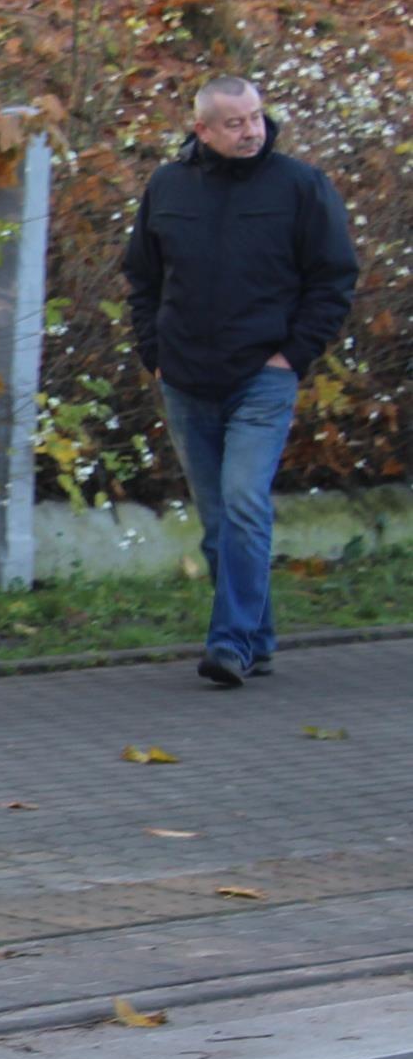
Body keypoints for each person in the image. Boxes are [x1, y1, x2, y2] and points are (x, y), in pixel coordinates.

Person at [121, 76, 357, 688]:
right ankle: (259, 635)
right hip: (186, 379)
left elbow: (333, 278)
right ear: (201, 129)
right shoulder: (168, 186)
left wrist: (291, 357)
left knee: (246, 503)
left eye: (256, 117)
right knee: (219, 522)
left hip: (263, 375)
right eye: (235, 123)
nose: (252, 130)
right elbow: (141, 279)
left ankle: (229, 644)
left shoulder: (300, 186)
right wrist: (156, 354)